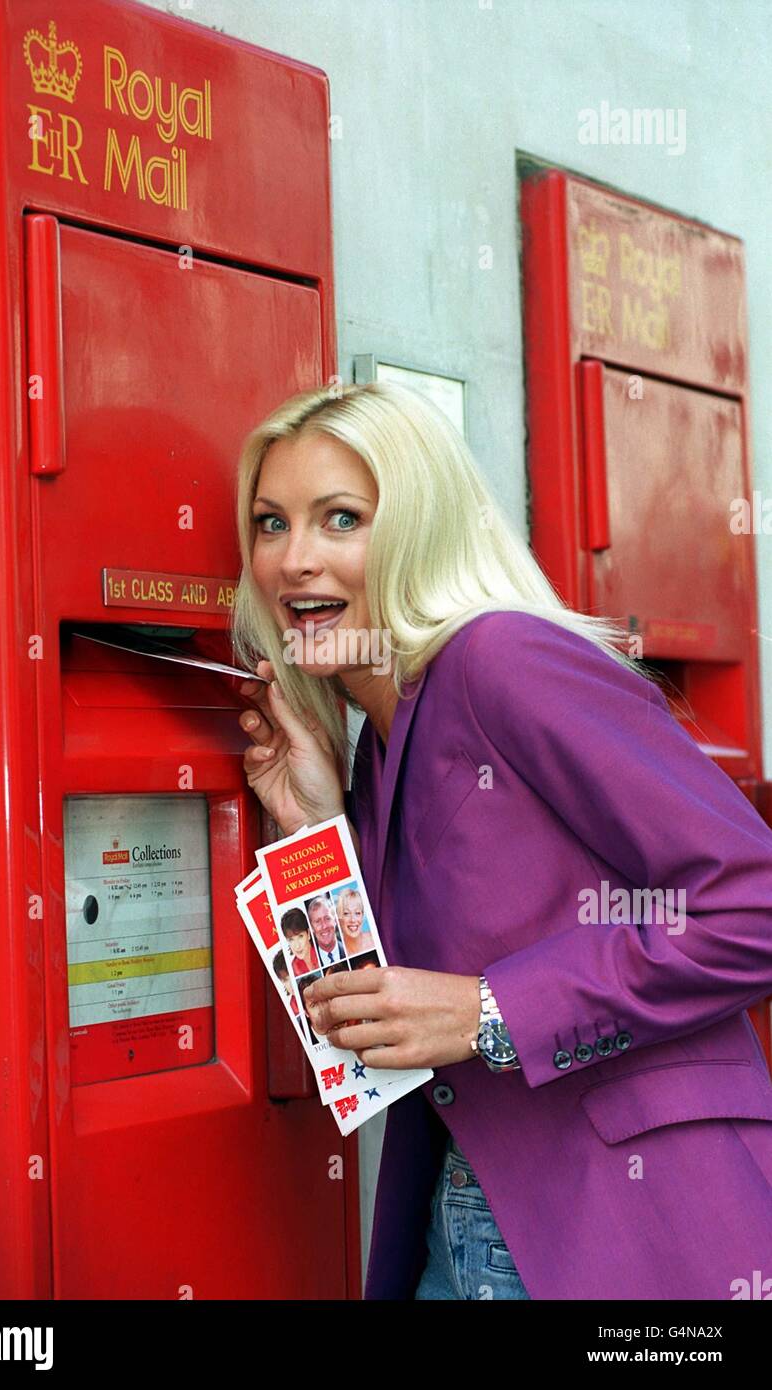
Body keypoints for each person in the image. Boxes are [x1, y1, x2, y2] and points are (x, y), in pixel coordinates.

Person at [233, 379, 772, 1301]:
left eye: (341, 519)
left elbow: (751, 902)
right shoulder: (383, 742)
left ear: (419, 529)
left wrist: (490, 1011)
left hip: (628, 1228)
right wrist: (316, 827)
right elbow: (370, 1023)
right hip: (460, 1219)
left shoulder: (502, 662)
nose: (295, 561)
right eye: (272, 524)